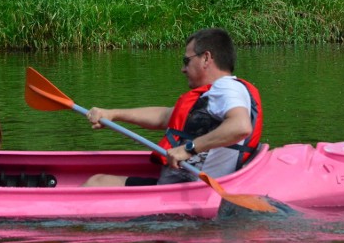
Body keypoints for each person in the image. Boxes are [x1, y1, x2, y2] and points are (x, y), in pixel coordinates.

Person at [82, 28, 262, 187]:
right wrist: (112, 114)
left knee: (95, 183)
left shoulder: (226, 87)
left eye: (186, 60)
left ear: (206, 58)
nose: (183, 69)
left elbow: (240, 126)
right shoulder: (214, 95)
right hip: (180, 186)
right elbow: (165, 116)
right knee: (99, 180)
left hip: (193, 191)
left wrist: (188, 149)